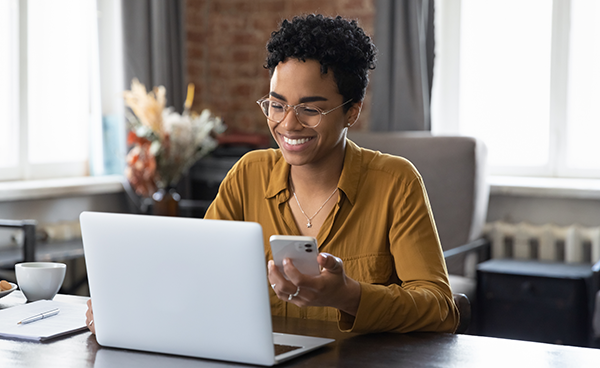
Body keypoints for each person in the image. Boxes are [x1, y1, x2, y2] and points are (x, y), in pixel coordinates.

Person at [87, 14, 458, 334]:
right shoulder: (249, 174)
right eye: (276, 104)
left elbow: (442, 308)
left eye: (310, 110)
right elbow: (194, 271)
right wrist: (125, 301)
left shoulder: (395, 182)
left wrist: (349, 295)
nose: (287, 124)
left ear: (352, 112)